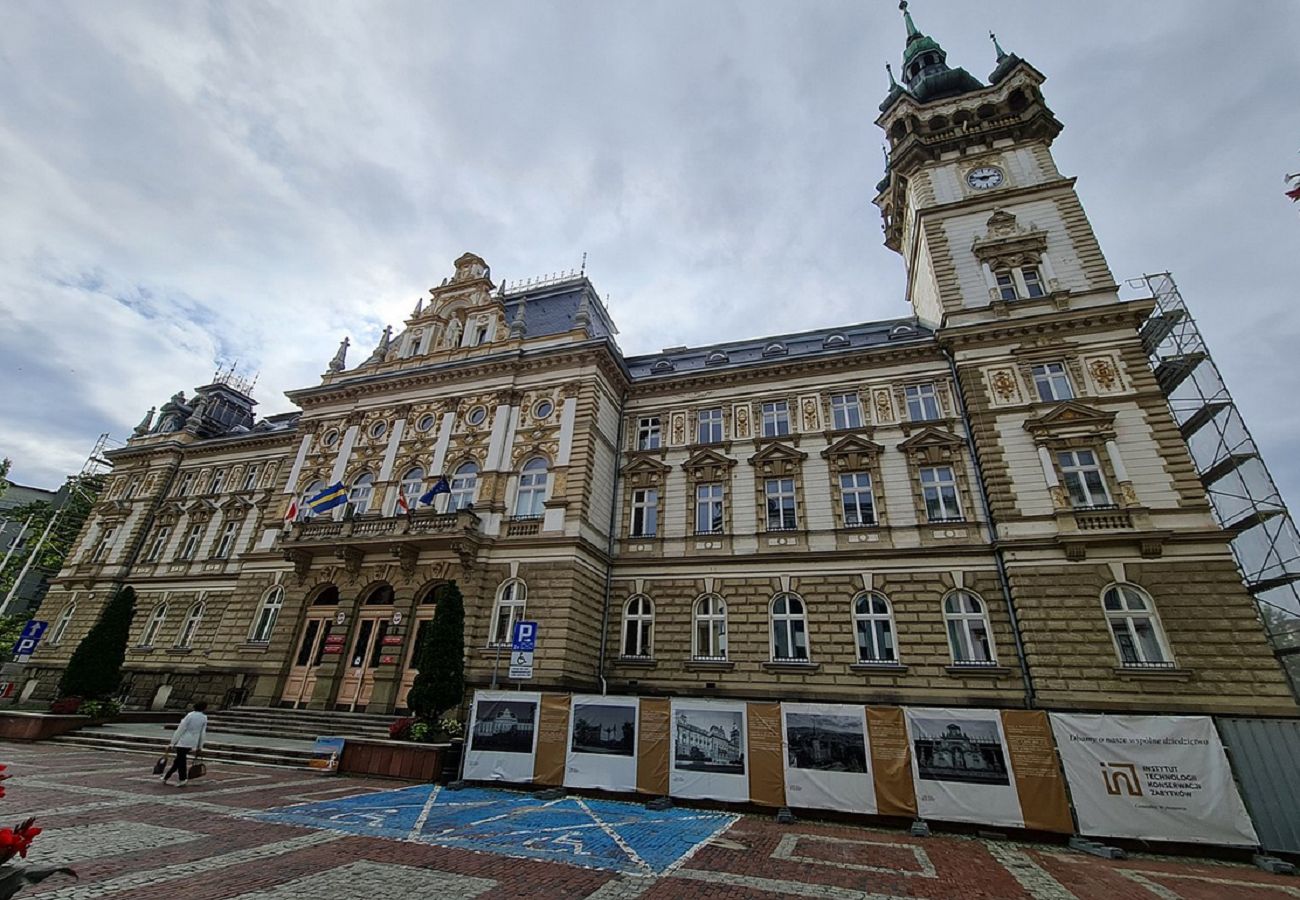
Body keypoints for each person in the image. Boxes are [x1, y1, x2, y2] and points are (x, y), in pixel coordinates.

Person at [163, 701, 208, 786]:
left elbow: (180, 729)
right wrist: (200, 746)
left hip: (183, 741)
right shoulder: (204, 718)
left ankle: (182, 778)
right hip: (193, 742)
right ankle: (166, 776)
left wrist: (172, 743)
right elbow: (203, 733)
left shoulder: (189, 716)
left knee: (181, 761)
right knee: (178, 761)